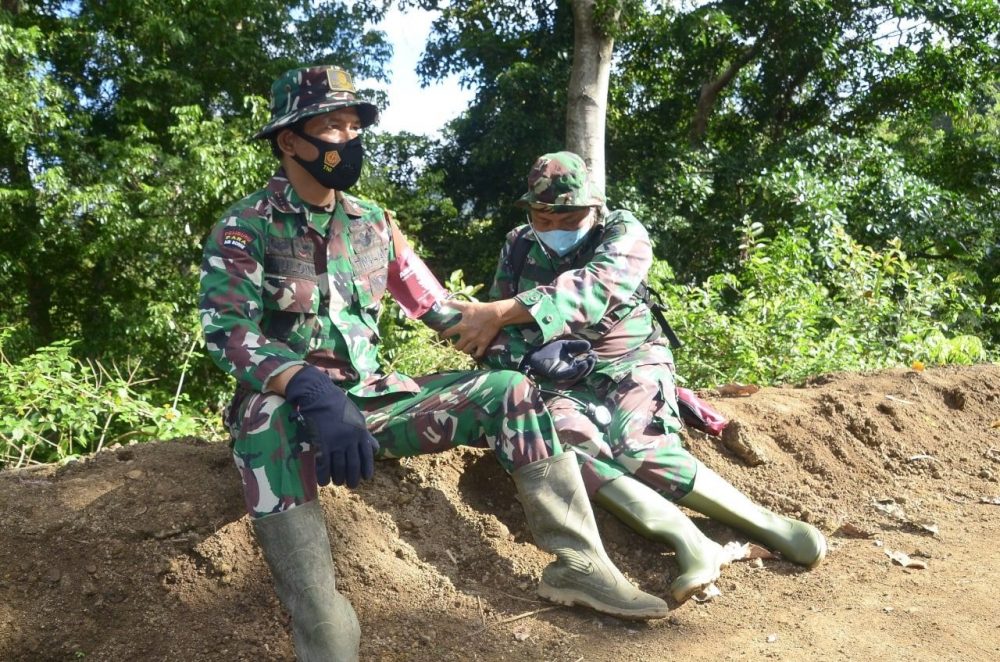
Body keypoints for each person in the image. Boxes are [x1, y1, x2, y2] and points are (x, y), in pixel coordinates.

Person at [199, 70, 668, 660]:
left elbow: (437, 307)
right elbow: (228, 330)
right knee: (264, 416)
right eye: (330, 127)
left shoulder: (373, 223)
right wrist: (306, 385)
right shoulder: (248, 226)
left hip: (370, 402)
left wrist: (513, 341)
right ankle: (322, 621)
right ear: (290, 141)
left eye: (353, 126)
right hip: (291, 410)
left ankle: (578, 564)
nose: (346, 139)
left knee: (509, 390)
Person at [442, 151, 828, 604]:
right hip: (561, 376)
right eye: (541, 216)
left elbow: (593, 289)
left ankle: (769, 525)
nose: (552, 227)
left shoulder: (622, 231)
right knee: (563, 444)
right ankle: (689, 540)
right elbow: (495, 325)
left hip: (630, 358)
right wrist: (508, 348)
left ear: (592, 207)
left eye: (567, 216)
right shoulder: (519, 244)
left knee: (638, 445)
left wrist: (501, 314)